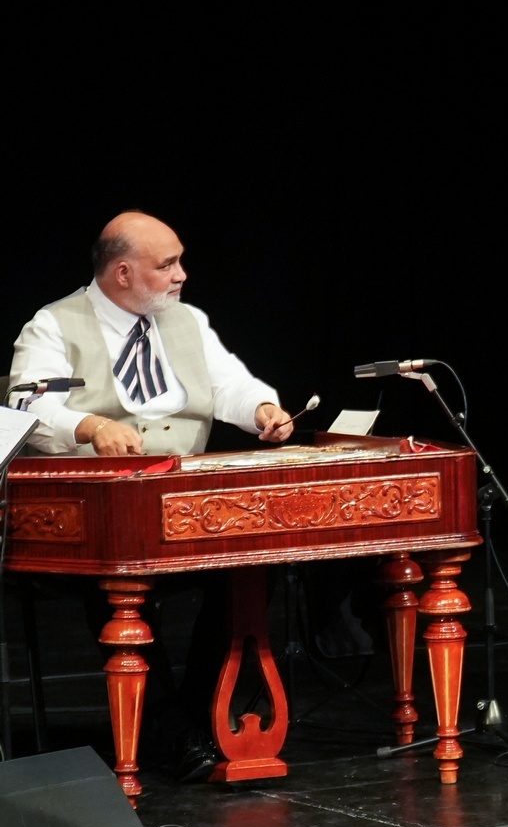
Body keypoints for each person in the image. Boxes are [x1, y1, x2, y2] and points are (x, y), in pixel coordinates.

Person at [7, 210, 295, 781]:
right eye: (167, 265)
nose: (181, 275)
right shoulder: (53, 325)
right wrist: (90, 426)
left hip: (181, 497)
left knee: (252, 567)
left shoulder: (185, 320)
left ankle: (190, 715)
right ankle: (171, 725)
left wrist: (261, 408)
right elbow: (26, 404)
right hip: (99, 509)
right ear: (122, 273)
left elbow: (228, 384)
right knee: (119, 575)